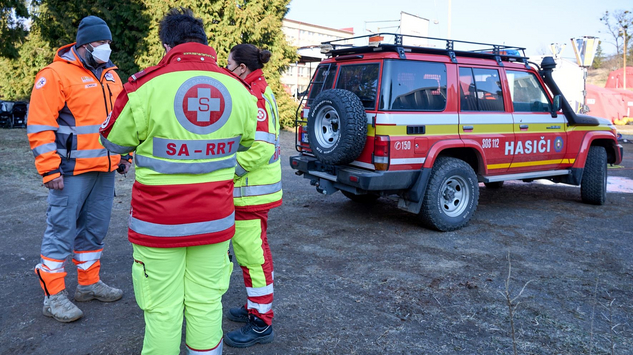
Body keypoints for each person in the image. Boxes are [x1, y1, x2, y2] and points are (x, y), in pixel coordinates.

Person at [99, 8, 257, 355]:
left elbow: (113, 139)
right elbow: (250, 143)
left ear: (166, 44)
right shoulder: (238, 89)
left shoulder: (145, 86)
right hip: (215, 221)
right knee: (205, 304)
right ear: (204, 43)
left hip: (158, 225)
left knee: (162, 310)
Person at [27, 15, 130, 323]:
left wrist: (124, 155)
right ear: (84, 45)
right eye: (100, 44)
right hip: (70, 171)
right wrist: (49, 170)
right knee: (61, 230)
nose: (106, 49)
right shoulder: (55, 74)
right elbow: (40, 125)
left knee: (95, 230)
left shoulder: (112, 76)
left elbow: (120, 122)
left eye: (108, 44)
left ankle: (88, 284)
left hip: (105, 167)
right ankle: (54, 296)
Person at [223, 44, 282, 348]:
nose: (225, 69)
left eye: (228, 65)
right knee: (251, 257)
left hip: (251, 195)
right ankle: (254, 307)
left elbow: (262, 148)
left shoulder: (252, 94)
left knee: (254, 259)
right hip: (250, 194)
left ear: (242, 69)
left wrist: (228, 171)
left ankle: (261, 323)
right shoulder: (257, 88)